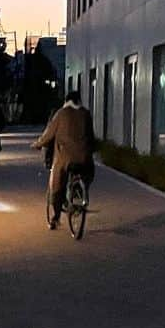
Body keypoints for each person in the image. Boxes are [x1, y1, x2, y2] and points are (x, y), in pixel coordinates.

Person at [32, 90, 96, 229]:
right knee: (87, 174)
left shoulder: (61, 113)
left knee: (56, 184)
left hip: (65, 159)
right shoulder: (86, 113)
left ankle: (55, 217)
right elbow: (91, 136)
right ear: (79, 101)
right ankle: (81, 194)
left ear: (66, 101)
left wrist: (37, 144)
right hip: (85, 159)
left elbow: (49, 134)